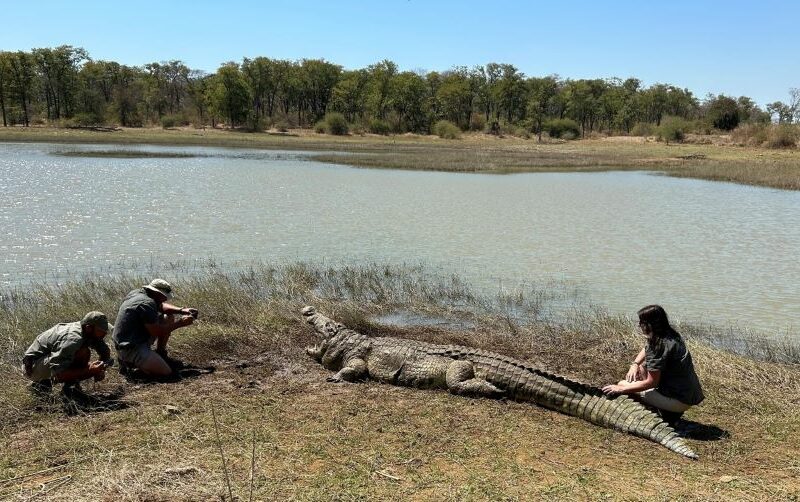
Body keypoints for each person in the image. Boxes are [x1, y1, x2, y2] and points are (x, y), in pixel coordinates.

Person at [602, 304, 704, 425]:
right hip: (689, 395)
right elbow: (647, 348)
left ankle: (655, 416)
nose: (639, 325)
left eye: (641, 322)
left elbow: (652, 382)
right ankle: (667, 412)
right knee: (641, 367)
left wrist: (622, 388)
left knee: (622, 384)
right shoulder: (671, 335)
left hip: (679, 401)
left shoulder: (659, 346)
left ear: (650, 324)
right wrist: (634, 364)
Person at [112, 279, 197, 378]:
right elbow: (158, 331)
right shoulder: (147, 303)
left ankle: (160, 354)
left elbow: (161, 306)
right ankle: (130, 364)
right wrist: (180, 323)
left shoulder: (138, 293)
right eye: (163, 296)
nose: (165, 299)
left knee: (168, 317)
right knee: (168, 373)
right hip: (131, 347)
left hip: (128, 340)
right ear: (156, 293)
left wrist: (182, 310)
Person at [22, 311, 113, 397]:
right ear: (89, 327)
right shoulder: (73, 339)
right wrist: (90, 371)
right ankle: (43, 384)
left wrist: (102, 367)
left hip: (48, 360)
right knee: (83, 353)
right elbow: (59, 374)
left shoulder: (87, 331)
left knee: (82, 354)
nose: (104, 333)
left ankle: (68, 388)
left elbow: (104, 352)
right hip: (32, 367)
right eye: (101, 331)